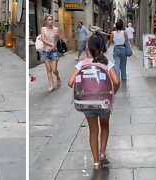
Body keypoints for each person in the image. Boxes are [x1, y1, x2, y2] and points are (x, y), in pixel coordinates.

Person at [68, 32, 120, 169]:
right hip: (104, 102)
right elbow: (116, 81)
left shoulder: (82, 64)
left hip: (86, 103)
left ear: (89, 48)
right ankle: (102, 153)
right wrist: (112, 94)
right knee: (105, 126)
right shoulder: (107, 64)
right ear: (103, 47)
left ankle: (96, 162)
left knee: (93, 130)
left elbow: (70, 82)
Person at [41, 14, 61, 92]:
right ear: (46, 21)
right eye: (49, 20)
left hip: (53, 51)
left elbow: (57, 39)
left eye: (51, 19)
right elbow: (43, 39)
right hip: (45, 51)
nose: (51, 21)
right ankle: (51, 85)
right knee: (48, 69)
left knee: (54, 69)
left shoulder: (56, 29)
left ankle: (58, 77)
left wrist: (57, 36)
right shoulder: (43, 29)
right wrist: (50, 44)